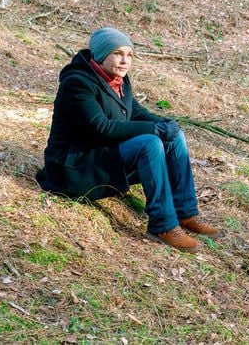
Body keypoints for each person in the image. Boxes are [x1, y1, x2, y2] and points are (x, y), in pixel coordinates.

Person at [36, 27, 218, 253]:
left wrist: (164, 123)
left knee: (174, 136)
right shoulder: (77, 83)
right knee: (149, 143)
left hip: (102, 156)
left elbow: (134, 112)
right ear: (102, 55)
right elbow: (101, 128)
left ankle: (185, 212)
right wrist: (155, 129)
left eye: (129, 55)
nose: (124, 61)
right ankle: (163, 226)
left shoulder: (118, 79)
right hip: (74, 168)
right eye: (118, 54)